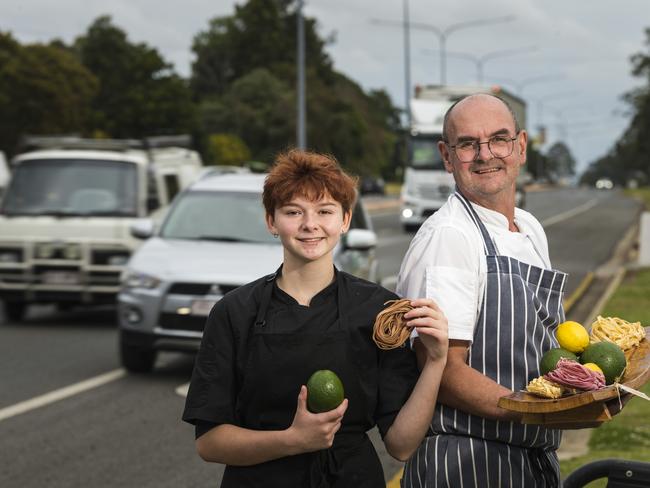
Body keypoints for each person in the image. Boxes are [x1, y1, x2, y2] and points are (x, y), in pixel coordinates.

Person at [182, 149, 448, 487]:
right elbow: (209, 443)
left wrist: (436, 361)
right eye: (294, 212)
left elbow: (402, 445)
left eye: (325, 211)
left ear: (345, 220)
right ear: (271, 221)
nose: (310, 225)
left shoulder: (379, 310)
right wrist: (293, 440)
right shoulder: (234, 312)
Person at [397, 93, 567, 487]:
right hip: (466, 462)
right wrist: (535, 412)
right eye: (468, 144)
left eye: (499, 139)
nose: (485, 154)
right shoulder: (451, 236)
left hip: (527, 460)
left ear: (520, 147)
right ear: (446, 155)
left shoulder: (528, 227)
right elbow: (442, 370)